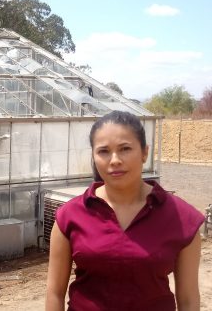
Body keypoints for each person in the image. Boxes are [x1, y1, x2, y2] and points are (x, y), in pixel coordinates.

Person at [45, 110, 205, 311]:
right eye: (103, 151)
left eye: (125, 148)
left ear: (145, 152)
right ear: (93, 156)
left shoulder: (182, 218)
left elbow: (189, 299)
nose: (114, 160)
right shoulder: (70, 216)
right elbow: (54, 293)